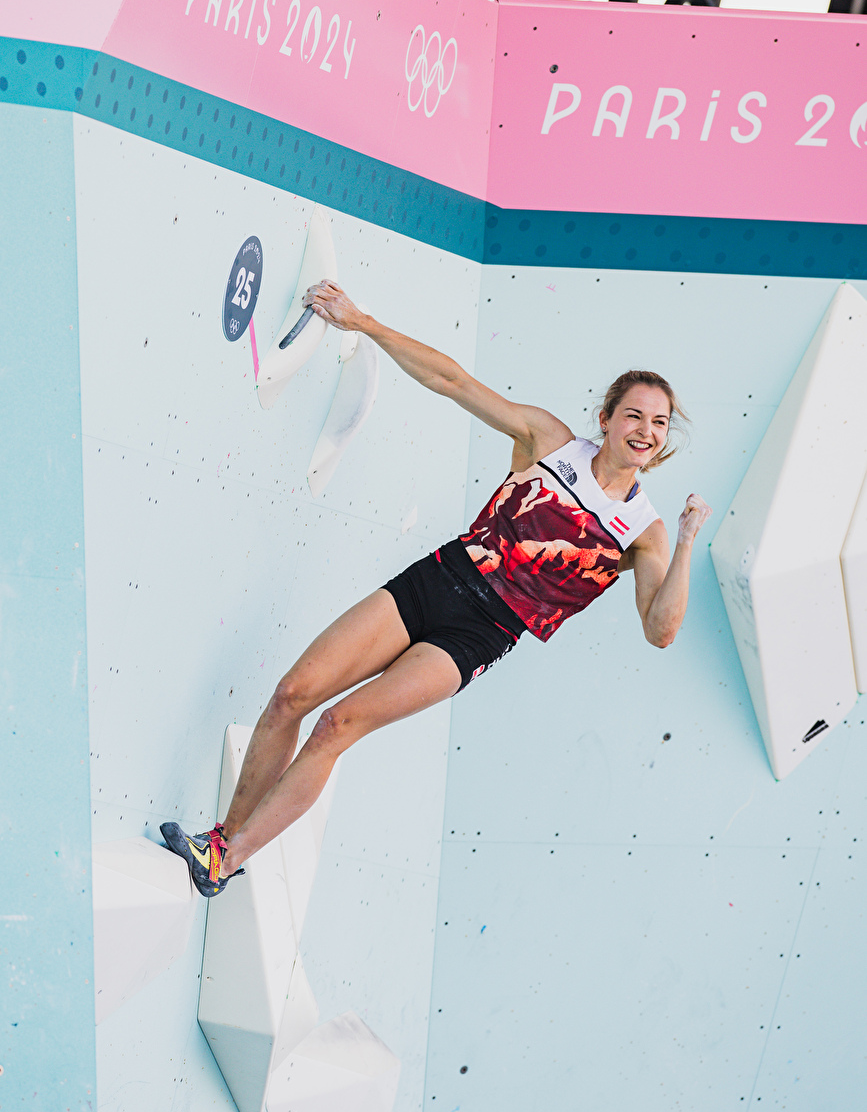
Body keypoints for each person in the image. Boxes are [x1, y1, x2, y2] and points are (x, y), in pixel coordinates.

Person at [161, 280, 711, 895]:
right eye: (633, 414)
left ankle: (229, 859)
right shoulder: (551, 442)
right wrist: (365, 322)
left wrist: (686, 542)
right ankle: (219, 846)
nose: (645, 429)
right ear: (606, 418)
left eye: (659, 423)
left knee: (338, 725)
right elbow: (453, 382)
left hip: (481, 633)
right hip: (439, 578)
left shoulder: (646, 531)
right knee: (293, 694)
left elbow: (660, 631)